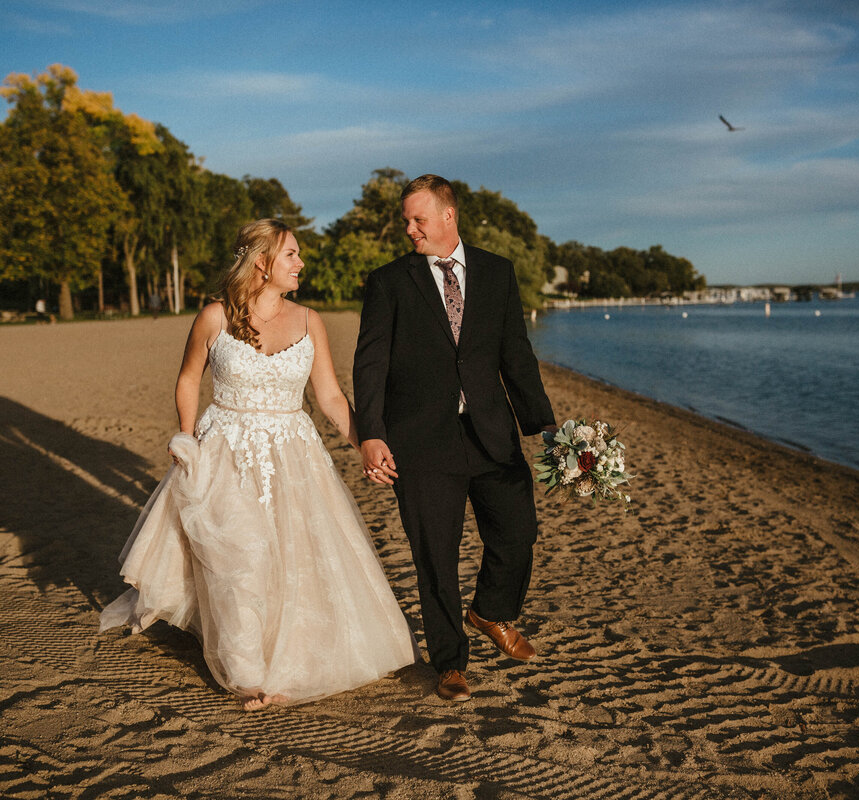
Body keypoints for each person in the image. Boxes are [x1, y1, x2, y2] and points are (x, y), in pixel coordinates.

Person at [100, 219, 417, 710]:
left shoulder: (310, 321)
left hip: (293, 455)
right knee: (238, 557)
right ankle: (247, 671)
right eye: (291, 255)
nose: (301, 264)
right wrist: (186, 437)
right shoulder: (214, 317)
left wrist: (366, 444)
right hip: (224, 448)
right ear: (261, 262)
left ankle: (290, 660)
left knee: (291, 560)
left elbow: (330, 397)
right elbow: (188, 379)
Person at [353, 174, 556, 702]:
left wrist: (548, 428)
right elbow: (370, 364)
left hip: (491, 433)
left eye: (418, 219)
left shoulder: (497, 272)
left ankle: (490, 612)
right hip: (419, 440)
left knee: (517, 533)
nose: (410, 229)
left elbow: (516, 354)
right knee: (435, 559)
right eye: (406, 221)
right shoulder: (389, 281)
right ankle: (449, 662)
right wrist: (371, 435)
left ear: (449, 216)